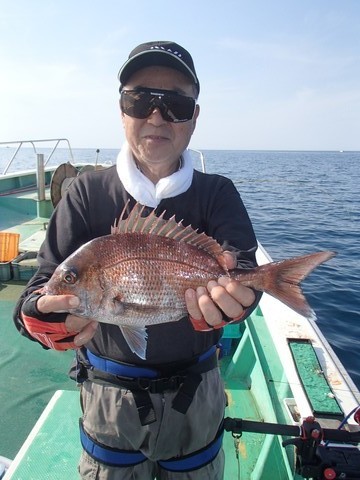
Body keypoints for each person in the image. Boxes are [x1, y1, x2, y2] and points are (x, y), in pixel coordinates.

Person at [14, 40, 261, 480]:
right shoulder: (85, 195)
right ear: (122, 108)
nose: (156, 115)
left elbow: (242, 274)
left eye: (176, 104)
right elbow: (41, 291)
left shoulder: (218, 193)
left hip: (196, 398)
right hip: (108, 402)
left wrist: (239, 299)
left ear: (194, 116)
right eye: (141, 99)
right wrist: (45, 320)